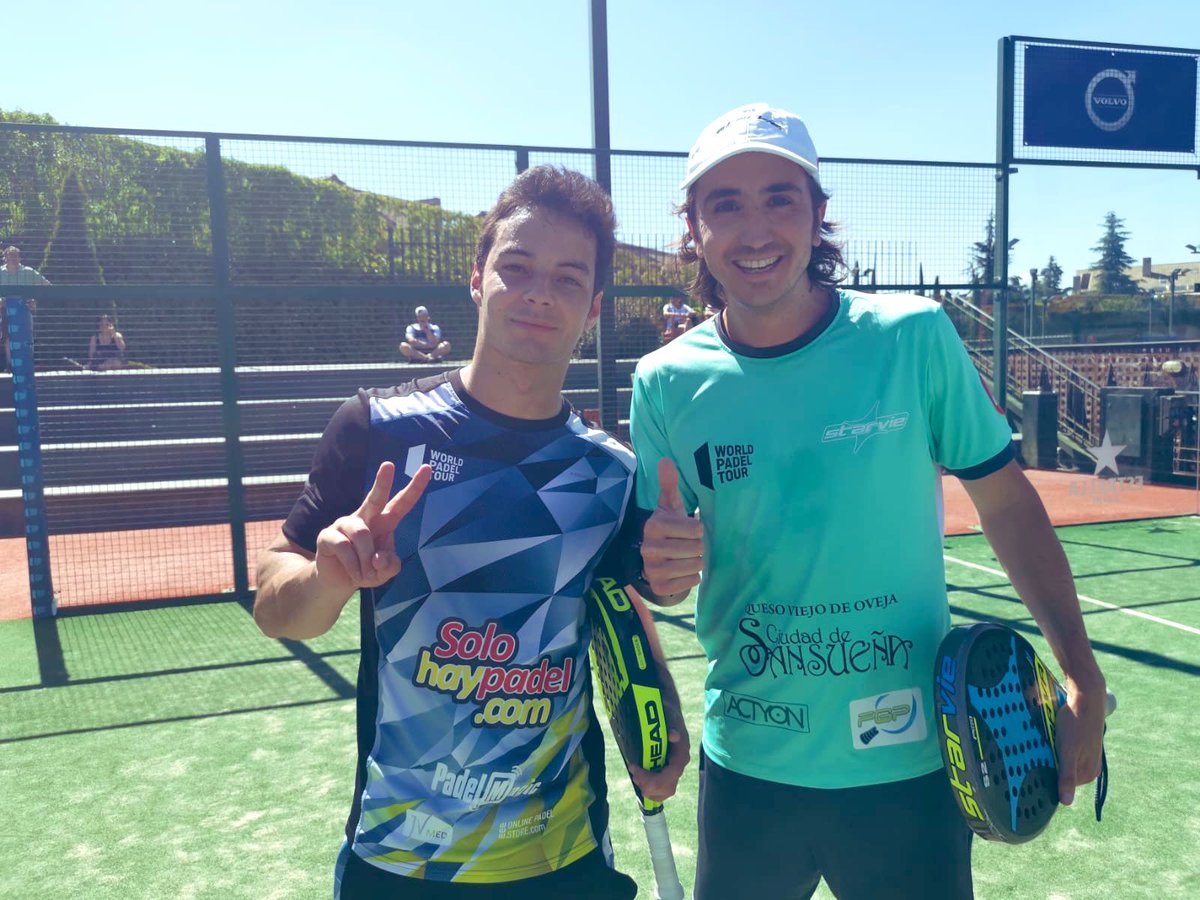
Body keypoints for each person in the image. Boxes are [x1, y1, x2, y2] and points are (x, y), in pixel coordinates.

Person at [628, 103, 1108, 900]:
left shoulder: (912, 337)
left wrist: (1081, 672)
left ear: (819, 216)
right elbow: (663, 574)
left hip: (911, 769)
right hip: (749, 765)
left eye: (781, 198)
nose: (756, 230)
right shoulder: (665, 381)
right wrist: (664, 571)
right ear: (694, 229)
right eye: (726, 204)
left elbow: (1008, 505)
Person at [254, 166, 687, 900]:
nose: (539, 293)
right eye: (516, 268)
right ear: (478, 279)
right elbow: (274, 606)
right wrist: (327, 577)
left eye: (567, 278)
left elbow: (613, 600)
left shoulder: (609, 470)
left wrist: (662, 713)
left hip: (559, 857)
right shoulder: (375, 428)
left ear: (593, 306)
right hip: (400, 860)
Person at [0, 246, 51, 371]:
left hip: (24, 310)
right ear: (5, 258)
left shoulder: (28, 272)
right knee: (8, 338)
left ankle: (27, 365)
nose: (13, 258)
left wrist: (35, 301)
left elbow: (47, 286)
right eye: (10, 255)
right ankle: (11, 366)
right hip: (5, 311)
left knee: (27, 337)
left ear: (20, 257)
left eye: (15, 255)